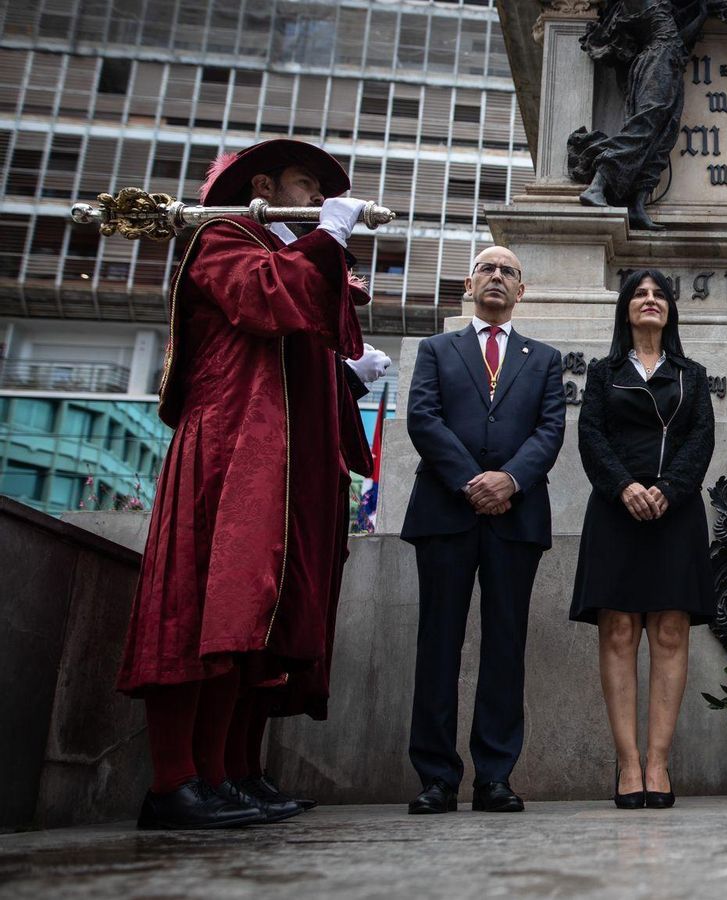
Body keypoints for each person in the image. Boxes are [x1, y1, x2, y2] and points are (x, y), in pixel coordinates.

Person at [116, 138, 381, 829]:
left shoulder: (278, 248)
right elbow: (267, 302)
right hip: (230, 453)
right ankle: (176, 781)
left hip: (283, 463)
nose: (319, 200)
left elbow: (305, 349)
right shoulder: (225, 238)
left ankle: (227, 772)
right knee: (207, 615)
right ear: (261, 184)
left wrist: (347, 375)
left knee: (258, 629)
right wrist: (326, 240)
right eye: (305, 184)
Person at [401, 247, 565, 813]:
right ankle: (435, 777)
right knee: (438, 644)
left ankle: (495, 775)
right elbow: (422, 417)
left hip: (516, 518)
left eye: (509, 272)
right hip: (446, 513)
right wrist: (473, 480)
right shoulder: (435, 349)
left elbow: (550, 430)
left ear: (522, 292)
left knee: (505, 645)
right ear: (470, 284)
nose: (497, 277)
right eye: (487, 269)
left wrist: (510, 481)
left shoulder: (542, 358)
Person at [571, 268, 715, 809]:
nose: (649, 301)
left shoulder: (693, 374)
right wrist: (624, 486)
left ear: (670, 310)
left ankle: (659, 762)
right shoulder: (604, 372)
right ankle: (628, 765)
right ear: (625, 309)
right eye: (639, 294)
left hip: (674, 515)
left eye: (658, 295)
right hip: (616, 512)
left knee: (672, 631)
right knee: (618, 631)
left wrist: (671, 489)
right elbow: (591, 436)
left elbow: (702, 435)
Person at [574, 0, 708, 230]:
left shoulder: (664, 13)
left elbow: (676, 39)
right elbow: (663, 35)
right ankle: (597, 186)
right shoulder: (650, 6)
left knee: (665, 135)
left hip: (670, 62)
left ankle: (637, 205)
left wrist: (703, 15)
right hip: (657, 63)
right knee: (644, 125)